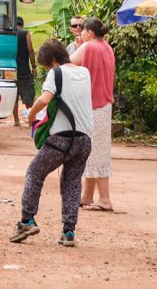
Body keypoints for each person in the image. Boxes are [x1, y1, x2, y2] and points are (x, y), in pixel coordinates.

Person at [10, 39, 93, 248]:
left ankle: (27, 220)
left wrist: (31, 115)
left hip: (61, 139)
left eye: (47, 65)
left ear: (53, 61)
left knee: (34, 173)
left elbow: (45, 99)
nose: (48, 69)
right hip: (84, 140)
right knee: (72, 183)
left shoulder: (56, 74)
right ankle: (69, 231)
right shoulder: (84, 73)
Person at [71, 17, 116, 212]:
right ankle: (87, 195)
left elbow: (69, 62)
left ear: (89, 33)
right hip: (105, 105)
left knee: (96, 152)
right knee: (93, 149)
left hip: (92, 105)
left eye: (82, 30)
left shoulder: (89, 47)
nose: (79, 33)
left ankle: (105, 199)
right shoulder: (107, 47)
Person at [13, 16, 37, 126]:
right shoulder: (25, 33)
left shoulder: (9, 33)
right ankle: (30, 120)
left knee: (14, 96)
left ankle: (16, 120)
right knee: (28, 95)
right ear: (22, 24)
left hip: (11, 69)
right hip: (24, 70)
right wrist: (34, 66)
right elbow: (31, 50)